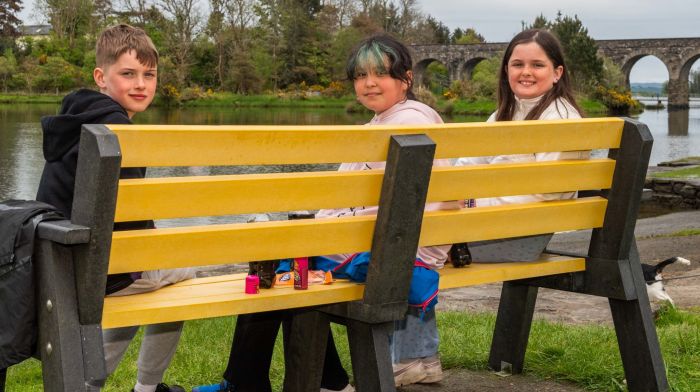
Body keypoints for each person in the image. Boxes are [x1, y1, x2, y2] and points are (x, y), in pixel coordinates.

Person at [192, 34, 458, 392]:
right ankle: (324, 380)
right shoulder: (395, 121)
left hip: (396, 254)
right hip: (400, 245)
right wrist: (316, 227)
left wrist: (313, 231)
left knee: (277, 259)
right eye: (361, 76)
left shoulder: (401, 124)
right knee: (288, 256)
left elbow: (379, 211)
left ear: (406, 79)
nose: (368, 83)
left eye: (380, 73)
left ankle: (247, 383)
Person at [35, 24, 193, 392]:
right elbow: (132, 222)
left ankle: (90, 384)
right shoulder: (119, 129)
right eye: (128, 74)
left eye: (149, 75)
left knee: (142, 275)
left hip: (59, 261)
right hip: (97, 271)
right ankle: (144, 387)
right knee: (177, 279)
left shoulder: (75, 119)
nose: (141, 84)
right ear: (100, 77)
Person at [454, 28, 589, 263]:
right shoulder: (505, 113)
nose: (526, 72)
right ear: (506, 70)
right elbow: (468, 163)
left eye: (537, 65)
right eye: (517, 64)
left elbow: (546, 194)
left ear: (557, 73)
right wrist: (454, 198)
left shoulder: (561, 120)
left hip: (521, 235)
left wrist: (472, 203)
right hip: (490, 225)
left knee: (405, 246)